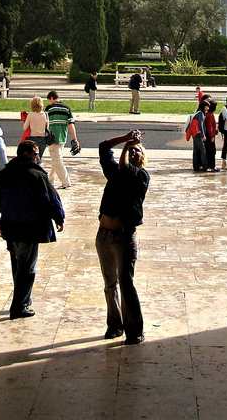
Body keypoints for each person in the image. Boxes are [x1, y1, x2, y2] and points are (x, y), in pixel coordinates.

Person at [0, 140, 65, 319]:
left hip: (10, 227)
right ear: (27, 154)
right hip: (29, 227)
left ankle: (24, 300)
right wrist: (59, 218)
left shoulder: (4, 174)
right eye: (36, 154)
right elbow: (52, 199)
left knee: (18, 265)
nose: (38, 157)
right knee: (27, 267)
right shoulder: (36, 175)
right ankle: (19, 306)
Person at [96, 131, 150, 344]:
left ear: (141, 158)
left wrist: (127, 146)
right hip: (103, 236)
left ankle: (134, 330)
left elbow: (125, 168)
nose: (134, 151)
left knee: (126, 284)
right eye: (132, 150)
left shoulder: (140, 175)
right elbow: (103, 147)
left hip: (124, 237)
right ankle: (114, 325)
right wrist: (125, 137)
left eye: (138, 150)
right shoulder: (115, 172)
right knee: (110, 284)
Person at [46, 90, 80, 188]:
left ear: (51, 98)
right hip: (62, 138)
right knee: (56, 160)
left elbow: (46, 122)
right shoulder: (67, 109)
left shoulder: (49, 108)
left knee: (57, 161)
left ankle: (66, 183)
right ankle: (51, 179)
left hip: (52, 138)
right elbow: (71, 125)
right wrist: (75, 139)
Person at [22, 95, 49, 159]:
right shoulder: (45, 114)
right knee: (39, 157)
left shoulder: (30, 115)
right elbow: (47, 127)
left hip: (32, 138)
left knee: (33, 158)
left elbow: (25, 128)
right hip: (43, 139)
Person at [186, 98, 210, 171]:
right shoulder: (201, 114)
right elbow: (200, 125)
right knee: (202, 150)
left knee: (196, 150)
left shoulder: (197, 113)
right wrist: (203, 135)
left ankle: (196, 166)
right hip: (198, 133)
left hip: (194, 133)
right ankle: (205, 166)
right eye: (207, 106)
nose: (208, 108)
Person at [204, 98, 218, 171]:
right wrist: (212, 136)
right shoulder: (210, 115)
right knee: (211, 151)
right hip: (210, 135)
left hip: (210, 135)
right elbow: (209, 127)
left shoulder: (209, 114)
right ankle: (211, 166)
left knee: (212, 151)